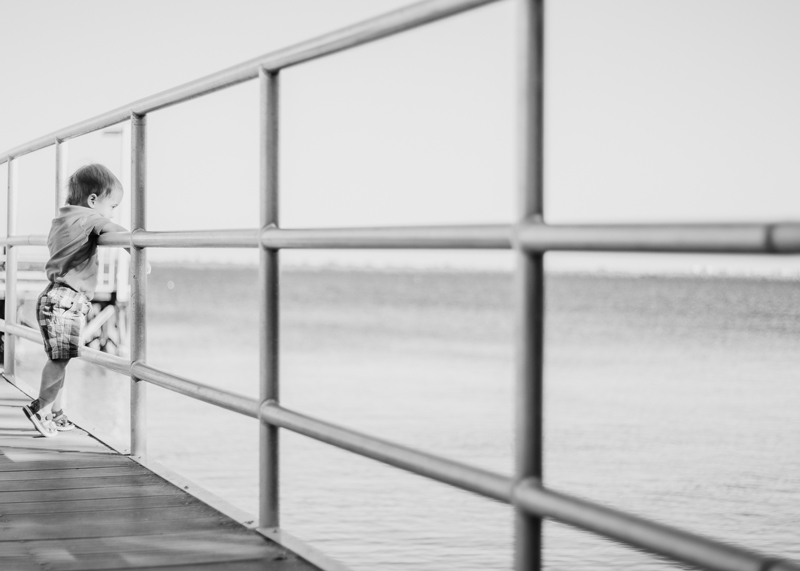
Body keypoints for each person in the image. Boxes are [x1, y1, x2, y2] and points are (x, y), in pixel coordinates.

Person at [23, 164, 128, 437]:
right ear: (93, 201)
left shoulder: (61, 221)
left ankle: (55, 413)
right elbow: (114, 229)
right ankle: (40, 409)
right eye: (112, 205)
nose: (113, 212)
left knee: (60, 358)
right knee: (59, 361)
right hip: (66, 302)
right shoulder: (90, 219)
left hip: (53, 296)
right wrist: (136, 251)